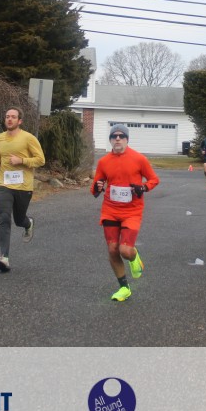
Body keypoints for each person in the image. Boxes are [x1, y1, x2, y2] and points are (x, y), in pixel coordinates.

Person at [91, 124, 160, 302]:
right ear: (110, 140)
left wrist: (143, 187)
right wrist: (98, 186)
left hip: (132, 211)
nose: (118, 139)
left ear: (127, 139)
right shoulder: (104, 162)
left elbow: (154, 179)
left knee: (125, 250)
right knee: (113, 249)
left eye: (121, 136)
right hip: (110, 210)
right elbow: (95, 187)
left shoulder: (139, 159)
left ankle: (134, 256)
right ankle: (124, 287)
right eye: (114, 136)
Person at [0, 107, 45, 273]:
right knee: (4, 217)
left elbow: (40, 160)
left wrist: (21, 160)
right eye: (7, 116)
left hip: (23, 186)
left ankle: (28, 223)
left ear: (20, 121)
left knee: (19, 220)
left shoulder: (28, 138)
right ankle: (4, 258)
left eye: (13, 117)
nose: (9, 119)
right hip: (3, 184)